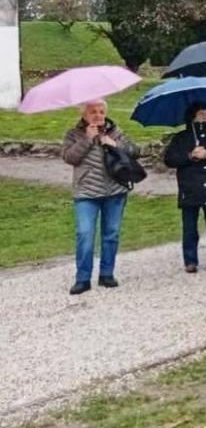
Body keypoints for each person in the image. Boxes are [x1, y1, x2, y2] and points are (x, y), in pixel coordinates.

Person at [61, 100, 136, 294]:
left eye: (101, 111)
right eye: (93, 111)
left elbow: (135, 152)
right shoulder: (73, 134)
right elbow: (69, 157)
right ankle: (83, 278)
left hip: (115, 191)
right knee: (85, 235)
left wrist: (114, 144)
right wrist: (86, 139)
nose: (98, 115)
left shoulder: (116, 132)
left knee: (111, 234)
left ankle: (106, 274)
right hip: (86, 192)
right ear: (84, 115)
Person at [163, 102, 206, 273]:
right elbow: (170, 159)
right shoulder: (181, 138)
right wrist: (190, 156)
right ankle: (190, 260)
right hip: (190, 187)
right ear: (192, 116)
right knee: (190, 228)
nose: (205, 117)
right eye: (201, 114)